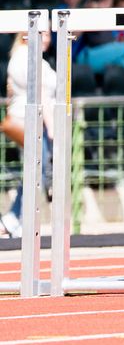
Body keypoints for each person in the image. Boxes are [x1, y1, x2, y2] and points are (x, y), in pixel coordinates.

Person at [2, 29, 55, 237]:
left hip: (32, 119)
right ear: (27, 35)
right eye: (42, 34)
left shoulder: (21, 56)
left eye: (48, 35)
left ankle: (13, 218)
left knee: (35, 172)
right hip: (32, 121)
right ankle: (22, 220)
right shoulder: (27, 57)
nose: (47, 39)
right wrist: (51, 126)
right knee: (37, 173)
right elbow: (39, 92)